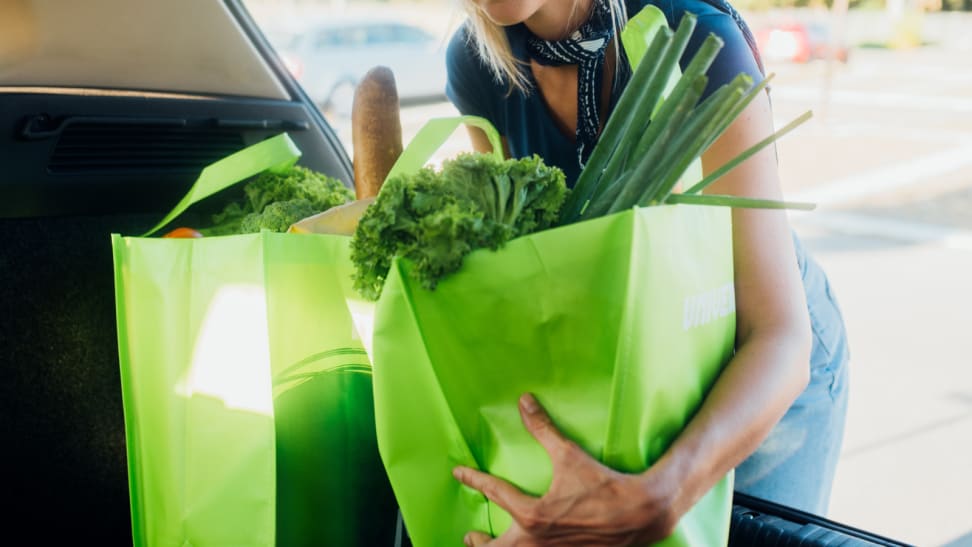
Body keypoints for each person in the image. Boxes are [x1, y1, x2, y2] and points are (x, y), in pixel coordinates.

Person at [443, 0, 851, 545]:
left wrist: (663, 494)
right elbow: (526, 273)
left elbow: (780, 336)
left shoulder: (697, 37)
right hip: (639, 345)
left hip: (758, 359)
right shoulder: (477, 62)